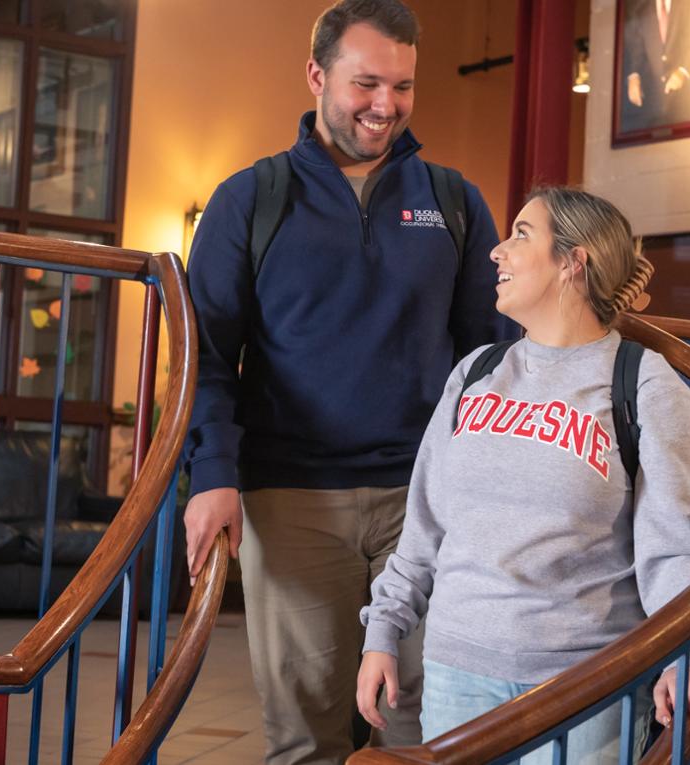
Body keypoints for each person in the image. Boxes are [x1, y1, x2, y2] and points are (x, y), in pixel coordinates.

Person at [182, 1, 513, 762]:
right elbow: (204, 356)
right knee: (308, 736)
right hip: (293, 501)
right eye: (366, 83)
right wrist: (213, 474)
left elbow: (493, 355)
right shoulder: (249, 200)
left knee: (429, 733)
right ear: (316, 75)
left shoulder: (453, 202)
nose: (384, 105)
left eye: (402, 87)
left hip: (426, 504)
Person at [356, 187, 690, 762]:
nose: (497, 252)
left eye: (522, 234)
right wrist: (384, 633)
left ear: (575, 261)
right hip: (457, 673)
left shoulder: (647, 386)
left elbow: (675, 549)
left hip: (587, 685)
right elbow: (424, 529)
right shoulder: (475, 372)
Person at [620, 0, 690, 133]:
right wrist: (634, 77)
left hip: (687, 106)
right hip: (651, 110)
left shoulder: (689, 5)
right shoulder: (641, 10)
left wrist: (683, 71)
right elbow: (636, 51)